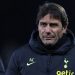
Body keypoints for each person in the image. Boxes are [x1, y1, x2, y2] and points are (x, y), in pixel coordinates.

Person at [6, 2, 75, 75]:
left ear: (64, 28)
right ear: (38, 27)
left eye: (53, 25)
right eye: (43, 24)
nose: (47, 30)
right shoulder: (19, 56)